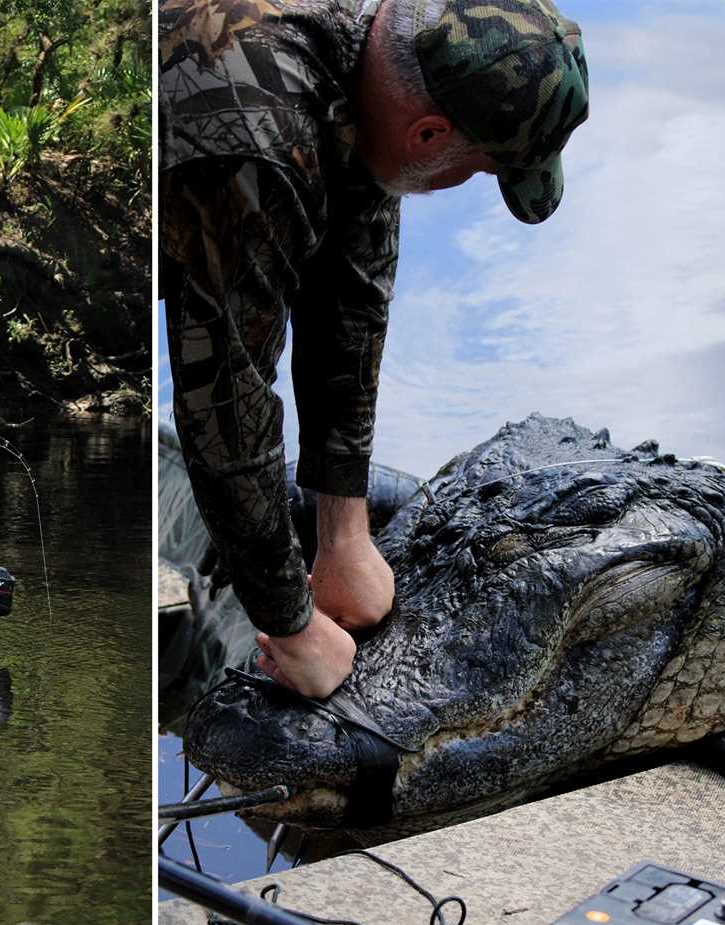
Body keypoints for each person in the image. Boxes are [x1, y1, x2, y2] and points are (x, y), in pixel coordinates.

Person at [160, 0, 589, 697]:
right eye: (478, 169)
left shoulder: (390, 54)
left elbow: (354, 296)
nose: (463, 184)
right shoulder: (254, 134)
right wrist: (292, 626)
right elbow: (223, 395)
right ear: (428, 133)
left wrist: (345, 534)